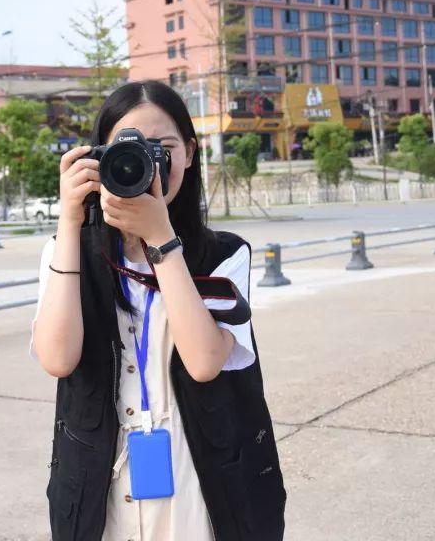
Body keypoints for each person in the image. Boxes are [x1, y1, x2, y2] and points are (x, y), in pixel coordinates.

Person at [30, 81, 286, 540]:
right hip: (102, 485)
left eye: (162, 150)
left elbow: (204, 363)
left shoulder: (223, 254)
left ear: (189, 152)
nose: (144, 165)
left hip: (197, 478)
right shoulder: (67, 251)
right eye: (126, 151)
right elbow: (57, 359)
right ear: (98, 157)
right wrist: (69, 223)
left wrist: (161, 240)